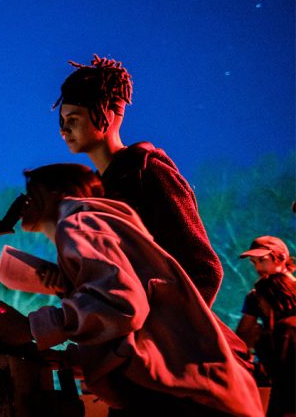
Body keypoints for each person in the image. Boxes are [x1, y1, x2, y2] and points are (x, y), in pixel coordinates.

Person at [0, 163, 261, 416]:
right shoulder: (100, 228)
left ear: (57, 194)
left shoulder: (78, 222)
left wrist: (32, 327)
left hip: (178, 399)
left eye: (33, 192)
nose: (23, 201)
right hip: (187, 393)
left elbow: (123, 305)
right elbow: (137, 331)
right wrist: (70, 359)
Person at [54, 55, 223, 305]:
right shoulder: (99, 191)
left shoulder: (151, 174)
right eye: (62, 121)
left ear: (107, 116)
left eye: (73, 119)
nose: (64, 129)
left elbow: (205, 269)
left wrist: (171, 330)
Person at [235, 236, 296, 416]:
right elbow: (244, 335)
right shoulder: (256, 296)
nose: (258, 268)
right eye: (254, 263)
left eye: (262, 260)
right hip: (277, 371)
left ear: (282, 258)